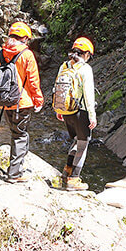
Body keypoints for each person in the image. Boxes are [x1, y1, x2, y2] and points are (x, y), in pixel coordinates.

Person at [0, 22, 43, 182]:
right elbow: (33, 81)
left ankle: (15, 170)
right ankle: (15, 174)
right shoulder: (27, 55)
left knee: (15, 133)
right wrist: (38, 100)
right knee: (20, 135)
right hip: (22, 103)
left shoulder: (0, 54)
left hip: (4, 101)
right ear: (24, 38)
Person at [54, 37, 96, 190]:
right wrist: (92, 115)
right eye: (88, 55)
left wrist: (58, 109)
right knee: (83, 144)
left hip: (66, 110)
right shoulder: (85, 69)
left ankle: (66, 172)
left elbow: (57, 88)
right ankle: (74, 180)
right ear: (85, 53)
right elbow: (89, 94)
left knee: (76, 141)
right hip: (81, 112)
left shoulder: (64, 66)